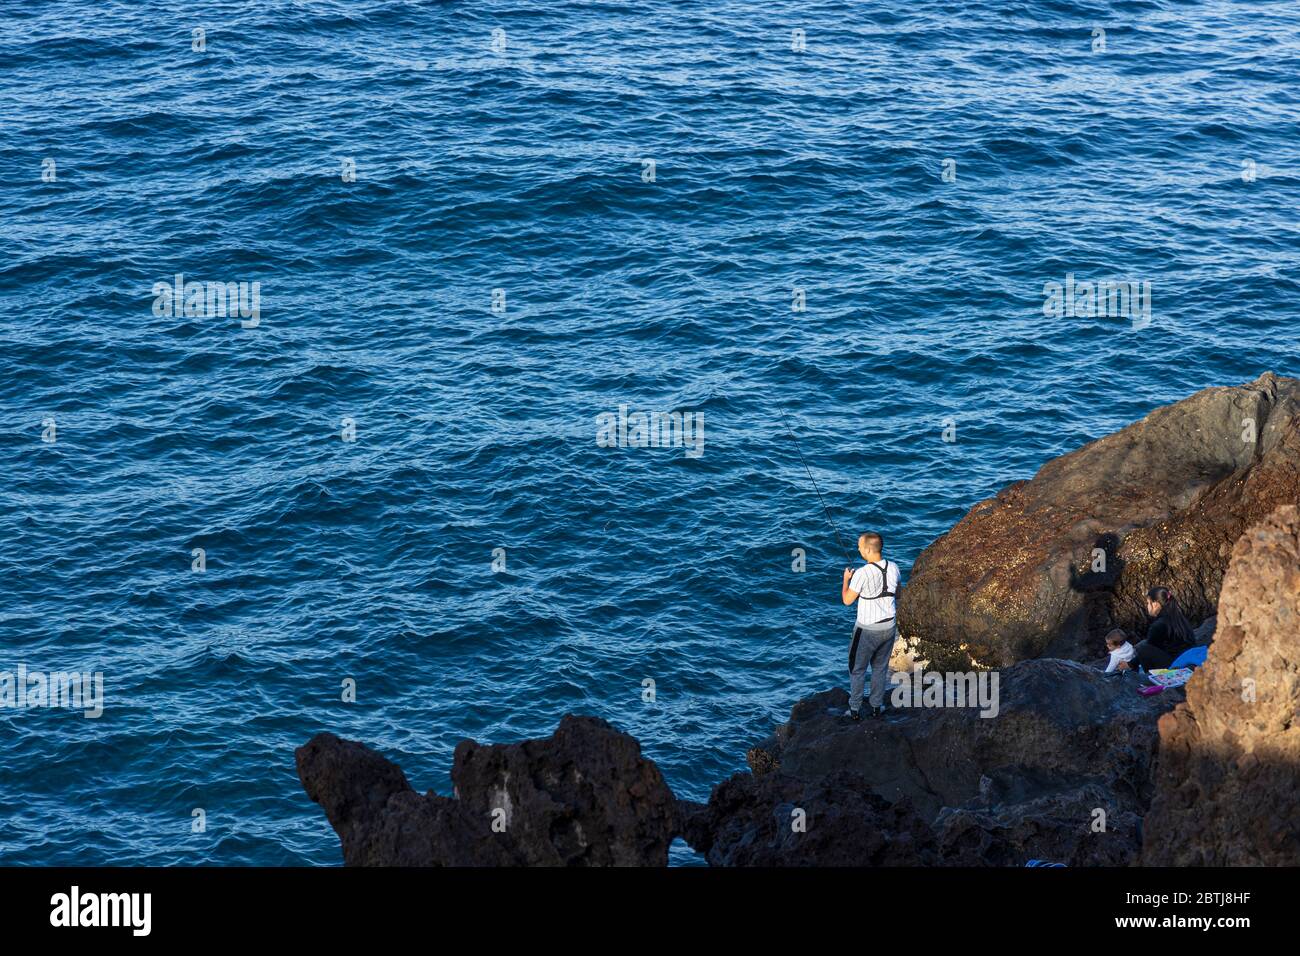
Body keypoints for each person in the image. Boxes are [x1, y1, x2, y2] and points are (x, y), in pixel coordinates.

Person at [840, 532, 901, 721]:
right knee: (880, 668)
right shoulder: (894, 567)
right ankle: (876, 707)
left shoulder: (862, 573)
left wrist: (846, 580)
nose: (858, 549)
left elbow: (847, 601)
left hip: (867, 630)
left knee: (857, 669)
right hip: (889, 627)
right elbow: (898, 594)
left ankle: (855, 709)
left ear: (868, 549)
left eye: (859, 546)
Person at [1131, 586, 1195, 670]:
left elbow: (1149, 648)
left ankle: (1150, 676)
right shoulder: (1180, 618)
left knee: (1142, 648)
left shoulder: (1158, 625)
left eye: (1148, 603)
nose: (1147, 606)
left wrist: (1130, 664)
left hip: (1175, 664)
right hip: (1188, 659)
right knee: (1144, 644)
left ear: (1155, 604)